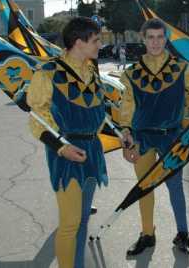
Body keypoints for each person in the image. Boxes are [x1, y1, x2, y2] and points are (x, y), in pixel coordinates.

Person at [118, 18, 189, 256]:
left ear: (166, 39)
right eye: (150, 37)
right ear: (143, 39)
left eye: (160, 37)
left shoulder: (183, 68)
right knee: (144, 188)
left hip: (171, 138)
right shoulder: (133, 73)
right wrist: (126, 131)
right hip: (141, 138)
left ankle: (182, 233)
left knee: (175, 187)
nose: (156, 42)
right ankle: (147, 234)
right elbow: (127, 105)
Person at [27, 17, 109, 268]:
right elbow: (38, 119)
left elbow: (98, 112)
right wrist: (62, 147)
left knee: (83, 219)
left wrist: (121, 133)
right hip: (66, 153)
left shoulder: (92, 71)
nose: (99, 45)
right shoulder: (48, 72)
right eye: (96, 40)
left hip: (92, 152)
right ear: (78, 42)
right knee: (70, 223)